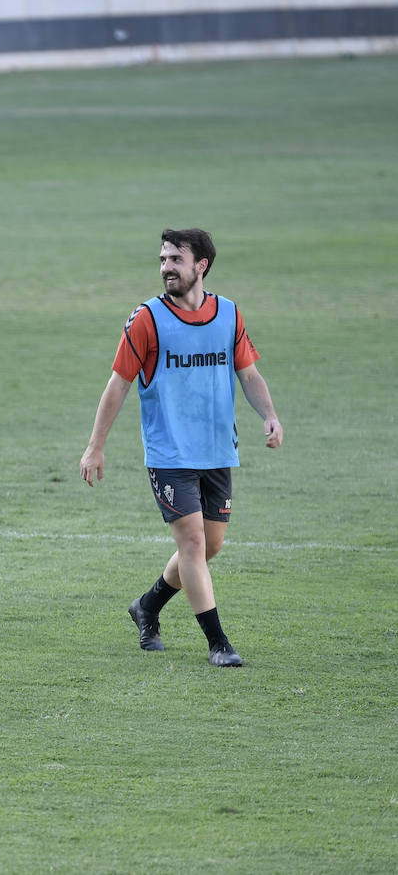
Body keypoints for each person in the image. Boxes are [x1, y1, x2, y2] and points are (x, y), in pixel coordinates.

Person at [79, 229, 283, 667]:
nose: (166, 267)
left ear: (201, 266)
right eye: (162, 259)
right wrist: (95, 447)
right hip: (169, 454)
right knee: (191, 542)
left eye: (175, 259)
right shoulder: (146, 319)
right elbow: (118, 385)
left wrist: (269, 414)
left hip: (216, 450)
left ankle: (147, 607)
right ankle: (218, 642)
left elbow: (248, 373)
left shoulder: (228, 314)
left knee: (209, 547)